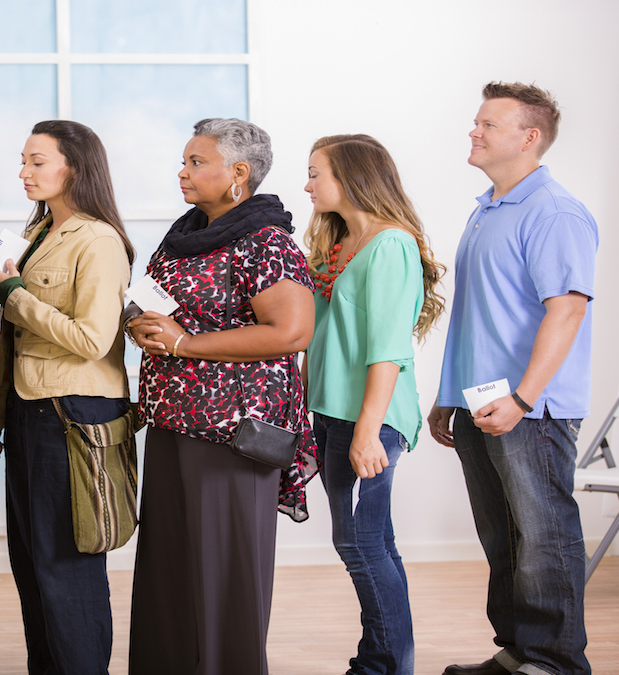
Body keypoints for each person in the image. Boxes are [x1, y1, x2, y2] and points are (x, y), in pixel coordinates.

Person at [126, 118, 318, 675]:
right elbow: (162, 305)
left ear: (238, 174)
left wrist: (185, 342)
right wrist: (143, 326)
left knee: (223, 572)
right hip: (171, 424)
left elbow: (291, 332)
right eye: (184, 161)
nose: (182, 172)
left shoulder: (267, 241)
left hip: (231, 434)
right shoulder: (185, 234)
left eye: (196, 162)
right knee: (169, 569)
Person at [428, 82, 597, 675]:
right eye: (476, 122)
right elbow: (480, 313)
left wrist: (524, 398)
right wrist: (448, 396)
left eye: (488, 125)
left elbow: (567, 309)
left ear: (529, 138)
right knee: (502, 537)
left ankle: (554, 661)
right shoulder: (488, 209)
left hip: (532, 408)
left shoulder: (554, 212)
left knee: (543, 536)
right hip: (480, 401)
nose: (474, 131)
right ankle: (519, 652)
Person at [0, 120, 134, 675]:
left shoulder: (98, 239)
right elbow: (12, 344)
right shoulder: (41, 233)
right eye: (23, 160)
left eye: (37, 161)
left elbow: (92, 339)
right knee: (31, 561)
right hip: (30, 411)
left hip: (74, 414)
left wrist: (14, 296)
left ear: (76, 167)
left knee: (67, 563)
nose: (24, 171)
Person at [303, 134, 446, 675]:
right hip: (332, 412)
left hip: (371, 418)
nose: (308, 183)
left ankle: (386, 665)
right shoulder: (341, 245)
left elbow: (388, 346)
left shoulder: (392, 245)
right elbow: (321, 335)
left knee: (360, 543)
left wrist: (368, 429)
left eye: (317, 172)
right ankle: (380, 660)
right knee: (371, 543)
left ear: (353, 176)